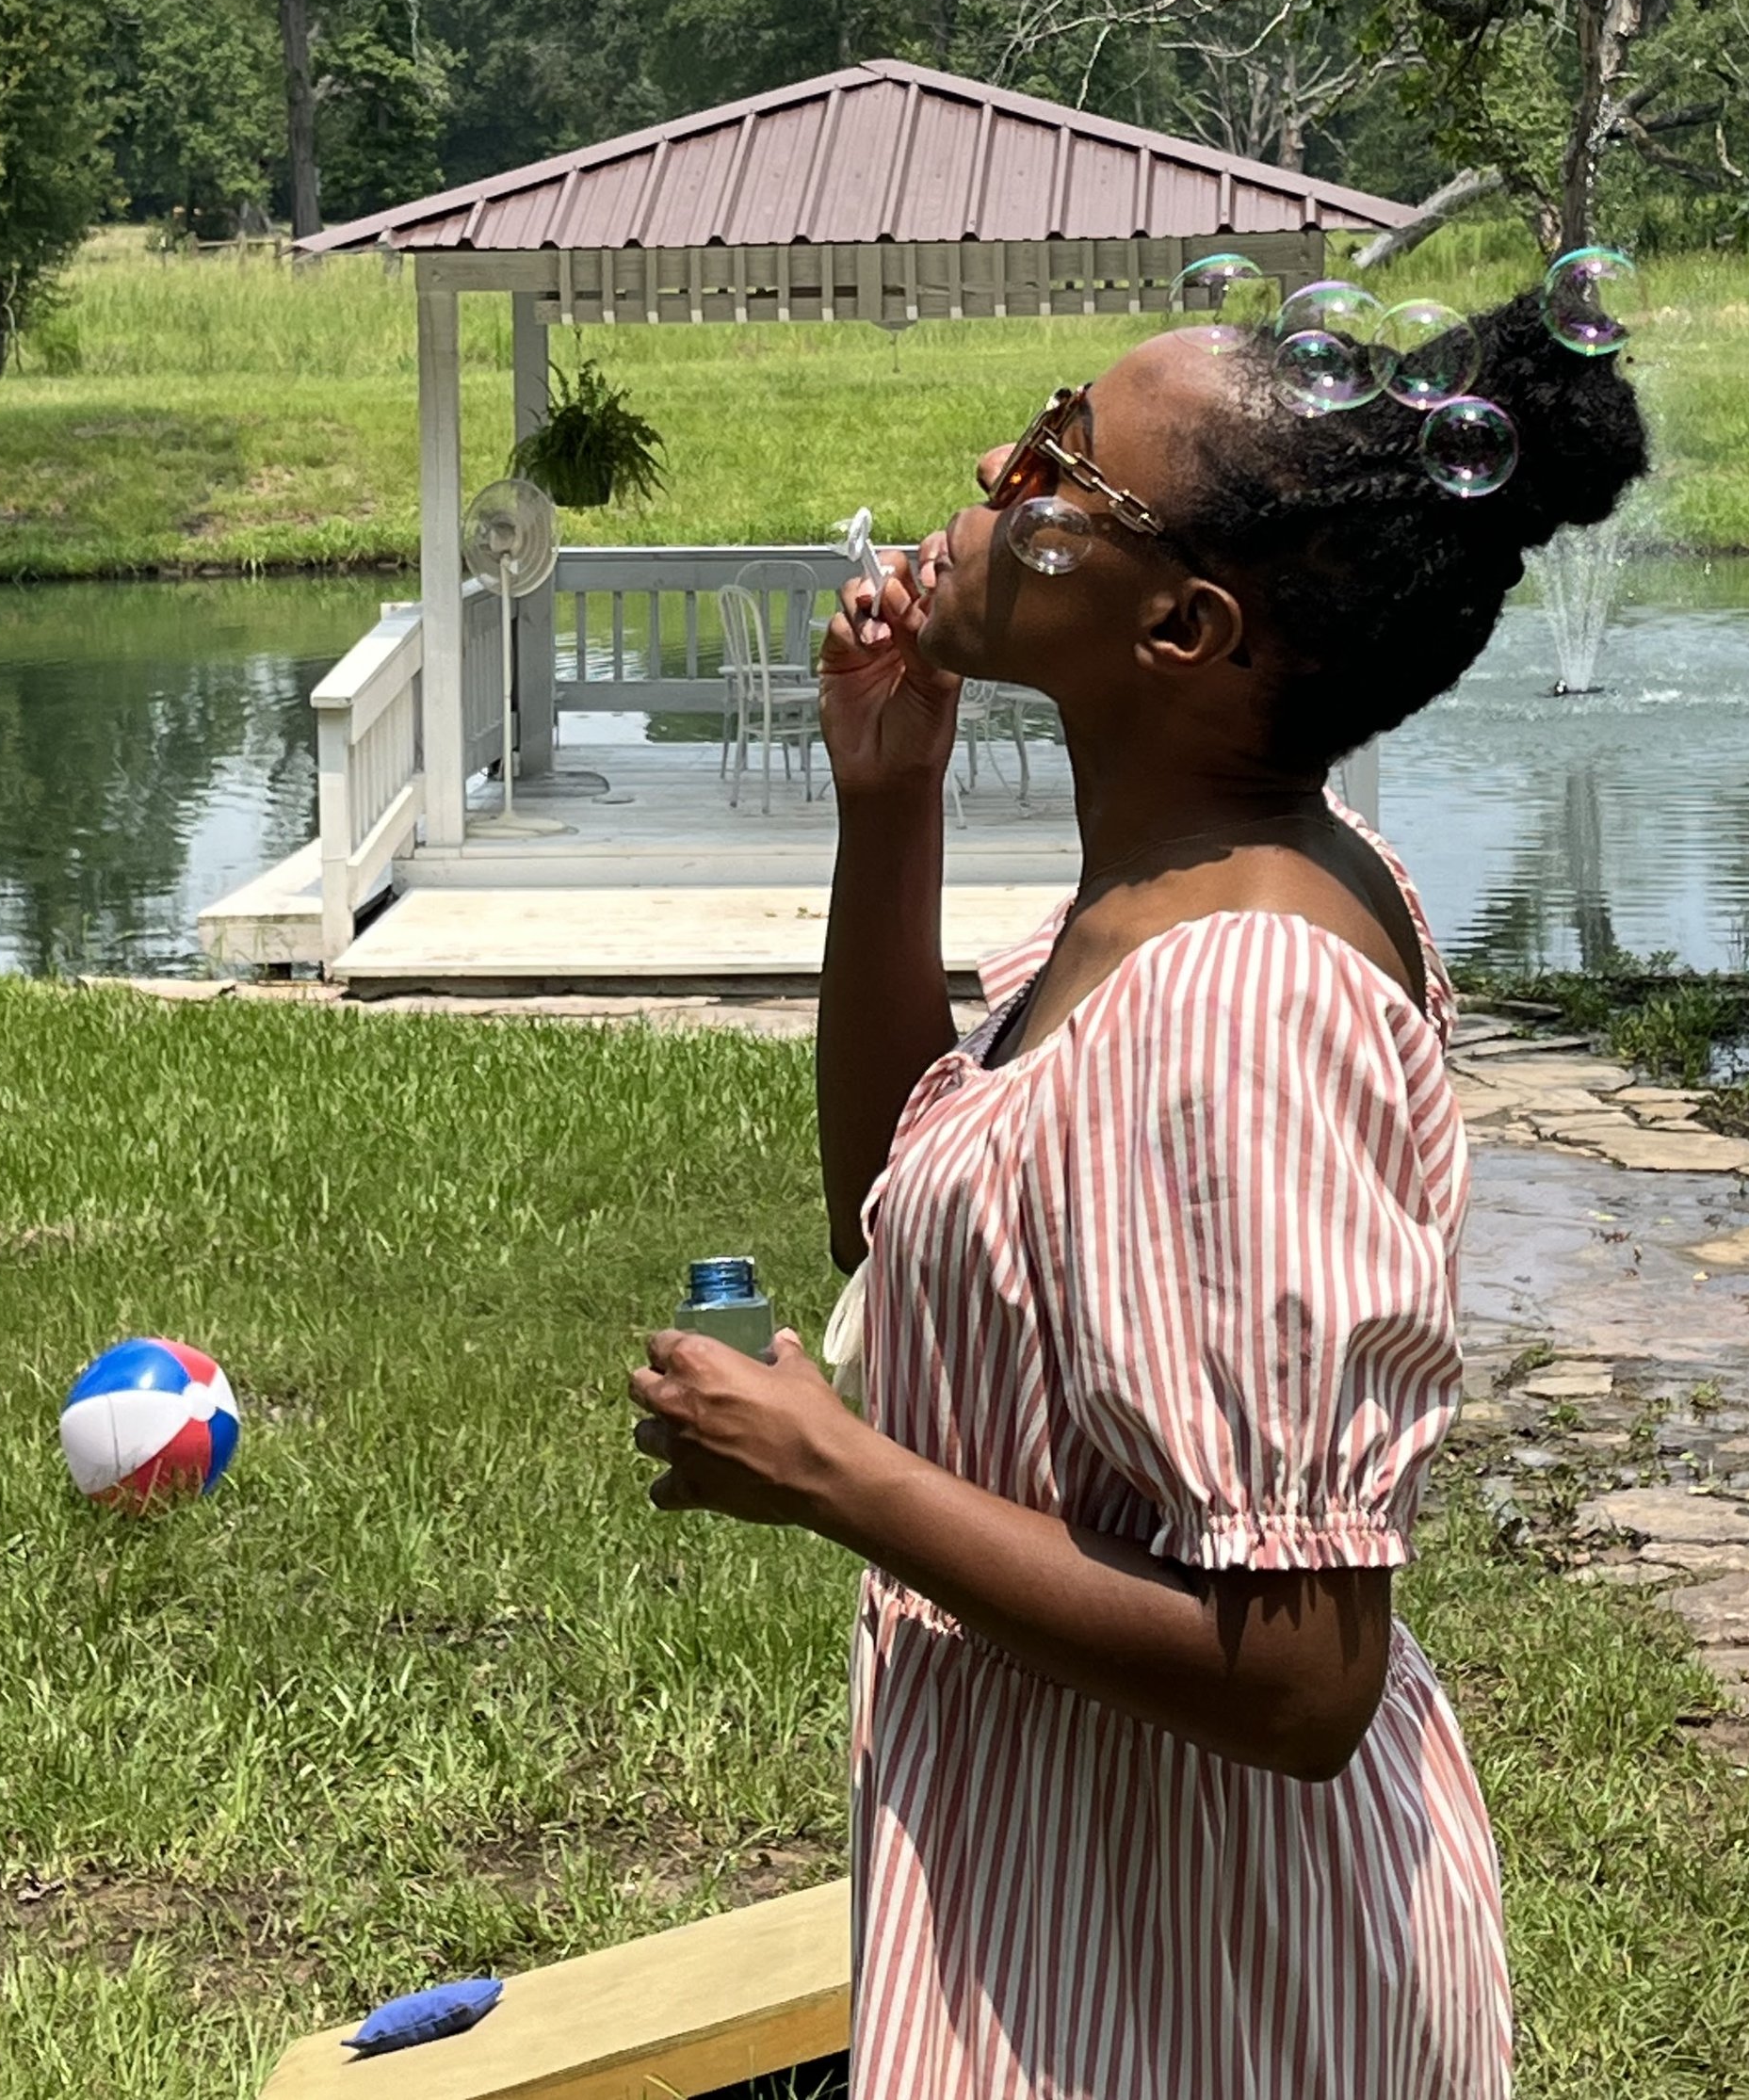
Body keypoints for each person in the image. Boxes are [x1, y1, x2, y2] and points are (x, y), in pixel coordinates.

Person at [631, 287, 1648, 2097]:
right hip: (1080, 1894)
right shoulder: (1168, 899)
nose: (992, 468)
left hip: (1199, 1975)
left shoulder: (1248, 998)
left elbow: (1302, 1674)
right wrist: (893, 802)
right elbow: (899, 1212)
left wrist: (832, 1473)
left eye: (1058, 463)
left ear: (1185, 626)